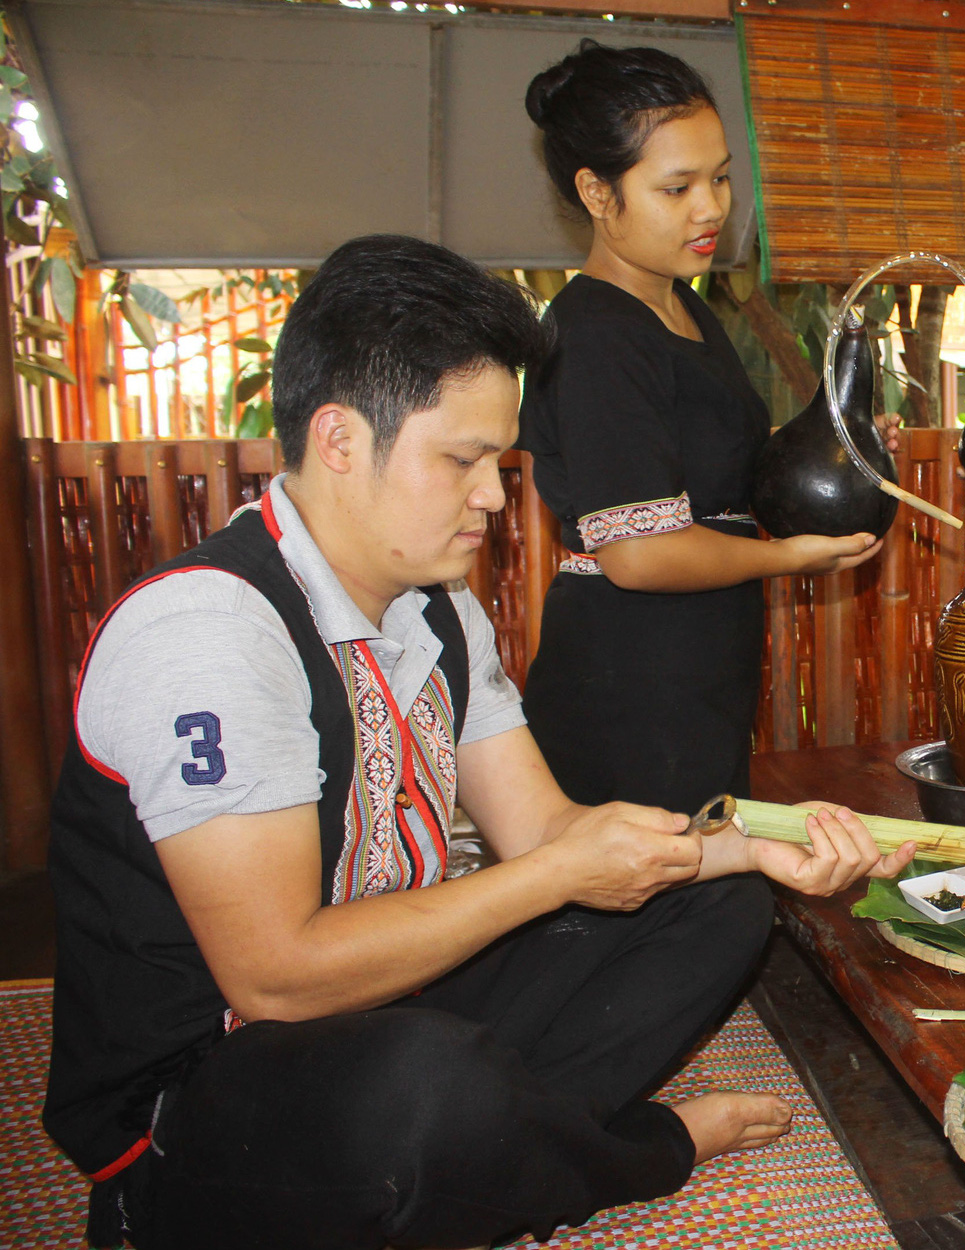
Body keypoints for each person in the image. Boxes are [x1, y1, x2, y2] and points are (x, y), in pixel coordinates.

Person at [41, 234, 916, 1250]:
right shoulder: (209, 632)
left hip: (391, 1006)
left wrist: (754, 845)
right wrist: (554, 876)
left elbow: (545, 824)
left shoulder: (438, 611)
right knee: (418, 1083)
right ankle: (629, 1150)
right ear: (336, 440)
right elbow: (275, 977)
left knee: (718, 905)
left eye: (502, 464)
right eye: (460, 461)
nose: (496, 498)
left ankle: (487, 1149)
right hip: (201, 1099)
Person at [518, 41, 883, 815]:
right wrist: (786, 556)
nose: (712, 207)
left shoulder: (683, 308)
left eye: (719, 177)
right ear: (596, 191)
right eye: (677, 186)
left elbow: (724, 470)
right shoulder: (595, 335)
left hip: (693, 664)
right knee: (670, 900)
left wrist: (834, 452)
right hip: (630, 675)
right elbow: (639, 554)